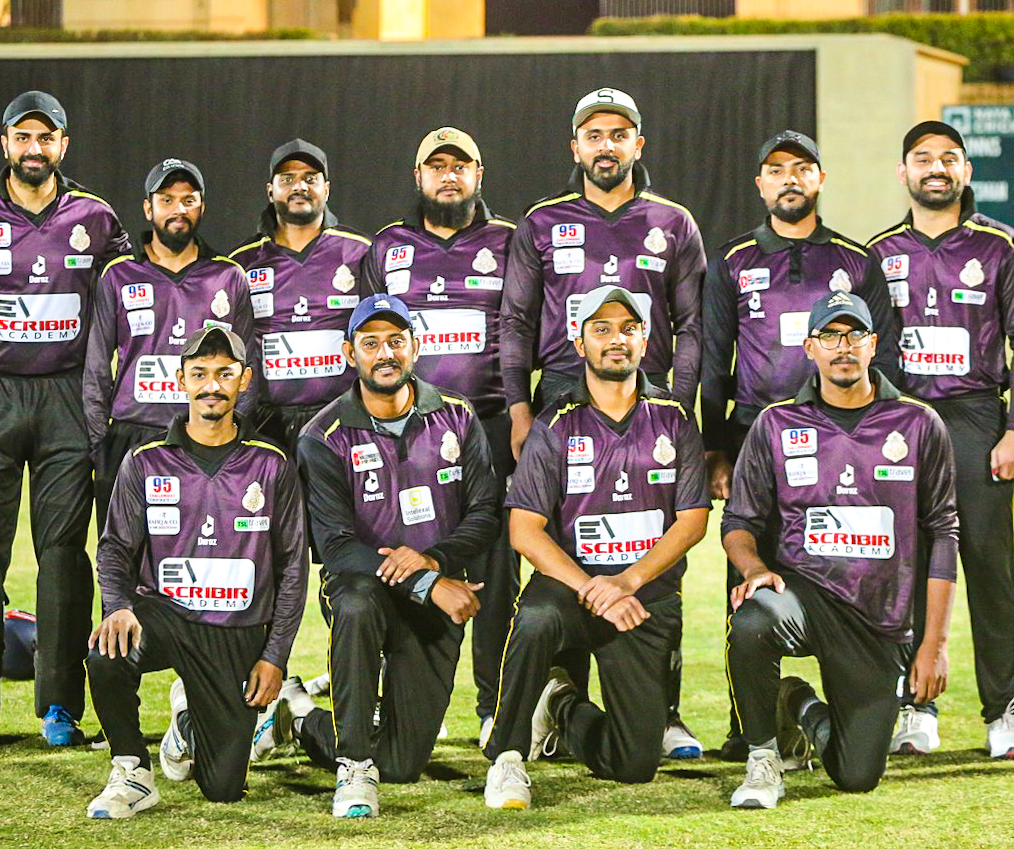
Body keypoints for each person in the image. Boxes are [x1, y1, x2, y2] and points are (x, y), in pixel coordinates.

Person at [500, 88, 708, 758]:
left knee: (652, 547)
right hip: (563, 394)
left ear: (637, 144)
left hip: (645, 396)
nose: (607, 145)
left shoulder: (672, 222)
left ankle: (663, 711)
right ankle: (560, 691)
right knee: (569, 545)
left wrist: (677, 406)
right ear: (576, 147)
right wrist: (521, 409)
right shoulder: (542, 222)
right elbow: (516, 321)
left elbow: (692, 326)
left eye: (619, 133)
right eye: (594, 134)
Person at [0, 90, 130, 748]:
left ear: (63, 145)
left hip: (68, 399)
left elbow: (124, 295)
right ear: (5, 144)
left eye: (46, 137)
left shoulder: (96, 217)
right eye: (23, 137)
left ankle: (60, 707)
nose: (34, 148)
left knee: (64, 553)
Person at [701, 129, 902, 759]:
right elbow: (714, 360)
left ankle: (851, 698)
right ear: (760, 184)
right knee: (747, 578)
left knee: (846, 558)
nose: (790, 178)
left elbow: (884, 356)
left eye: (802, 168)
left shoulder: (856, 260)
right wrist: (716, 448)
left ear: (820, 180)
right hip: (756, 437)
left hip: (842, 437)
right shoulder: (733, 260)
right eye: (777, 169)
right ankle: (749, 724)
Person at [261, 294, 500, 819]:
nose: (385, 353)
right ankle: (352, 766)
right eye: (371, 343)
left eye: (396, 341)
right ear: (350, 353)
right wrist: (425, 581)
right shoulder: (322, 436)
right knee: (355, 602)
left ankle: (297, 716)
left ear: (416, 346)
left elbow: (485, 514)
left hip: (435, 596)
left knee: (401, 763)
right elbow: (335, 547)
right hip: (363, 588)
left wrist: (434, 560)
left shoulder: (458, 416)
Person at [720, 291, 959, 808]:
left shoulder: (919, 424)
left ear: (873, 344)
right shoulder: (776, 423)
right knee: (753, 622)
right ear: (810, 348)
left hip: (879, 618)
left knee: (856, 776)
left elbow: (944, 533)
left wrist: (934, 644)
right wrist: (754, 568)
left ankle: (799, 704)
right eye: (830, 336)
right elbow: (738, 521)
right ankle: (762, 758)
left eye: (854, 335)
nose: (843, 347)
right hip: (804, 596)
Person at [482, 286, 710, 809]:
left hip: (641, 598)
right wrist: (593, 587)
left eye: (628, 329)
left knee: (635, 765)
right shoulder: (554, 423)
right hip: (571, 589)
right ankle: (507, 757)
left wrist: (626, 582)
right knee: (535, 619)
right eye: (601, 329)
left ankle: (561, 704)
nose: (616, 340)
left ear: (645, 340)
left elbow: (693, 520)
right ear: (579, 342)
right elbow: (524, 530)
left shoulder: (675, 417)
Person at [866, 121, 1014, 758]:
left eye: (948, 158)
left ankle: (1003, 713)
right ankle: (916, 708)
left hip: (975, 419)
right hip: (902, 425)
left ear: (966, 170)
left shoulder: (1002, 246)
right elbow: (871, 349)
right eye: (922, 158)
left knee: (989, 568)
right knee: (905, 569)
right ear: (903, 172)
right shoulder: (879, 252)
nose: (935, 168)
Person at [84, 326, 307, 817]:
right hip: (165, 614)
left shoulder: (272, 465)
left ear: (244, 380)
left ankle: (186, 720)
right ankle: (132, 769)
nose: (212, 385)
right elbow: (115, 547)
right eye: (200, 373)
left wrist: (274, 656)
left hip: (236, 631)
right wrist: (118, 607)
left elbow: (293, 568)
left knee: (222, 788)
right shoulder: (145, 461)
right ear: (181, 380)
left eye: (225, 374)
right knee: (107, 651)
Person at [359, 127, 519, 746]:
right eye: (436, 166)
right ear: (418, 176)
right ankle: (390, 694)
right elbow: (370, 339)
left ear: (479, 174)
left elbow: (525, 328)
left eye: (460, 165)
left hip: (491, 425)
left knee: (496, 569)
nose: (448, 176)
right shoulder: (388, 246)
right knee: (402, 557)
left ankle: (493, 705)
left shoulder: (509, 240)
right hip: (409, 432)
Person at [84, 158, 255, 536]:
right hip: (131, 437)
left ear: (202, 206)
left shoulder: (228, 276)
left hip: (204, 439)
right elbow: (96, 368)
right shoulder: (119, 274)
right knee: (120, 555)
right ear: (148, 208)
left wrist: (233, 440)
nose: (179, 209)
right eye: (167, 200)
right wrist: (101, 446)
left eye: (188, 200)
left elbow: (247, 370)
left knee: (201, 550)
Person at [230, 139, 372, 452]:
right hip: (267, 424)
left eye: (310, 178)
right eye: (287, 179)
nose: (299, 187)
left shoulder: (360, 251)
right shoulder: (241, 262)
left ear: (327, 189)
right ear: (270, 191)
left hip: (344, 420)